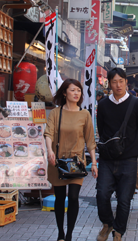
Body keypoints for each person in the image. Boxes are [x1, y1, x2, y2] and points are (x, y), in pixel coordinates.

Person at [96, 68, 138, 241]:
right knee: (102, 194)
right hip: (107, 159)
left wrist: (130, 147)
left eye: (121, 81)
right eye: (114, 81)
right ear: (109, 83)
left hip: (128, 160)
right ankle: (107, 223)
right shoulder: (103, 104)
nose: (118, 85)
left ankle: (118, 232)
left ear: (126, 82)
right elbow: (102, 129)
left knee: (124, 200)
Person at [44, 79, 98, 241]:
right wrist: (49, 151)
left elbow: (90, 140)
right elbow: (48, 133)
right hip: (58, 161)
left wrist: (94, 163)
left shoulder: (84, 114)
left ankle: (69, 235)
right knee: (59, 198)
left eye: (79, 91)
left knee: (73, 197)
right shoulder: (56, 112)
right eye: (73, 90)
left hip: (77, 162)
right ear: (64, 92)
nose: (76, 93)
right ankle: (60, 232)